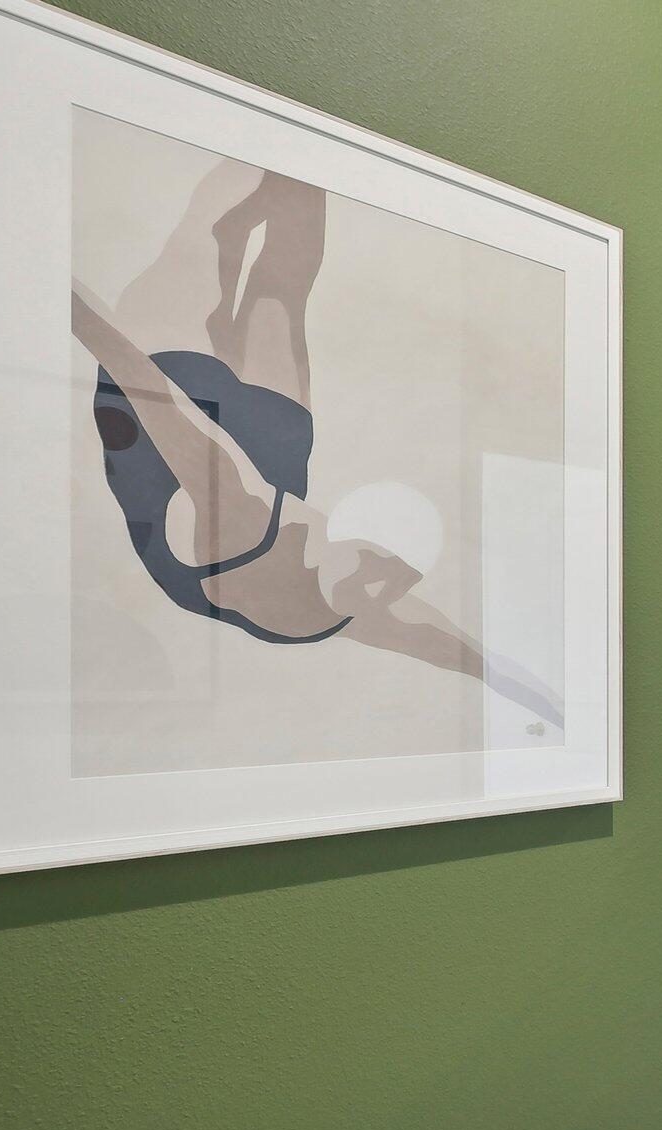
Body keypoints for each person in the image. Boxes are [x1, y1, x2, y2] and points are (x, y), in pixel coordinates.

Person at [71, 156, 563, 729]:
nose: (381, 588)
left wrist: (61, 293)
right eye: (381, 565)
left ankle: (246, 182)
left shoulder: (249, 522)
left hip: (168, 387)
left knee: (212, 237)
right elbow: (481, 662)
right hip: (269, 442)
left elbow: (143, 381)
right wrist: (558, 709)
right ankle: (304, 151)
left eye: (391, 578)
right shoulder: (360, 592)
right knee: (288, 266)